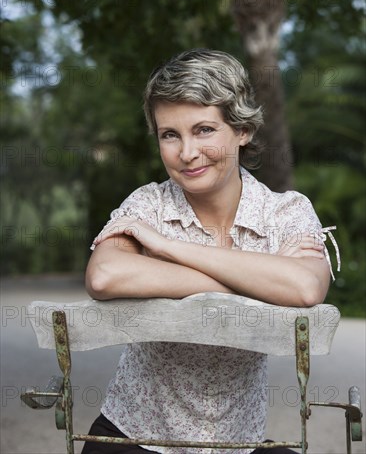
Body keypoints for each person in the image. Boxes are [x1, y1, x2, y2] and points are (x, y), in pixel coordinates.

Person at [82, 48, 337, 454]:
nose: (186, 153)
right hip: (134, 435)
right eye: (170, 134)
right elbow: (104, 276)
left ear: (243, 130)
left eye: (203, 130)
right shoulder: (147, 205)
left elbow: (306, 288)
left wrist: (168, 247)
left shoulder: (287, 211)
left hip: (237, 442)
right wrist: (258, 280)